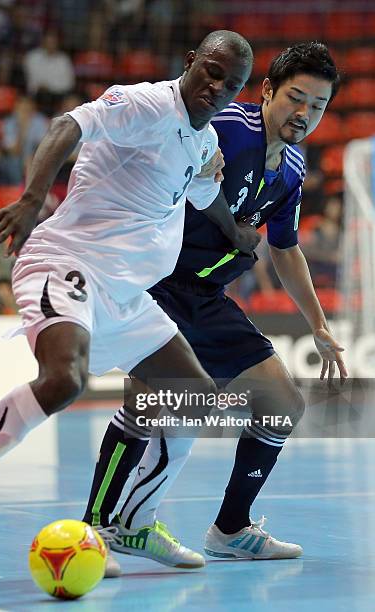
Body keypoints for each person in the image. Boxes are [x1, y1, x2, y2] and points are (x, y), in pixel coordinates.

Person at [0, 30, 256, 586]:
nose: (216, 86)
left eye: (230, 84)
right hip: (67, 262)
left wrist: (237, 234)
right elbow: (69, 125)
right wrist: (32, 197)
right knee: (63, 380)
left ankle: (135, 522)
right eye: (210, 71)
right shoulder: (145, 104)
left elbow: (204, 195)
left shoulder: (204, 143)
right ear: (190, 62)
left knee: (194, 397)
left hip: (125, 296)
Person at [81, 42, 348, 575]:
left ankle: (230, 528)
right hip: (154, 281)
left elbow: (284, 246)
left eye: (317, 106)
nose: (304, 114)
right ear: (267, 90)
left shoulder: (293, 166)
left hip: (206, 298)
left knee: (282, 403)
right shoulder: (224, 126)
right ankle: (96, 530)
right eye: (296, 98)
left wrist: (317, 325)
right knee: (149, 407)